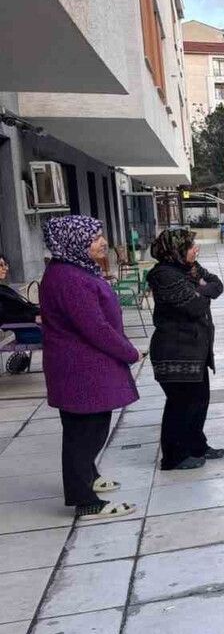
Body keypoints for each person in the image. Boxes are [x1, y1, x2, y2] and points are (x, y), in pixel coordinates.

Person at [41, 215, 139, 519]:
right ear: (74, 242)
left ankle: (90, 476)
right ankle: (85, 499)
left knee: (87, 428)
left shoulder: (73, 271)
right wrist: (130, 352)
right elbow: (95, 327)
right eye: (95, 238)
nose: (103, 242)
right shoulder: (70, 279)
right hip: (81, 368)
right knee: (86, 431)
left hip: (85, 365)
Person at [146, 230, 224, 471]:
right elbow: (194, 305)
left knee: (199, 400)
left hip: (195, 349)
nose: (196, 249)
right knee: (181, 403)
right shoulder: (164, 275)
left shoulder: (189, 267)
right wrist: (201, 290)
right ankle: (174, 456)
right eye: (191, 246)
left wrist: (200, 288)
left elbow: (217, 285)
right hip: (175, 350)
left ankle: (196, 445)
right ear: (176, 250)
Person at [0, 255, 41, 344]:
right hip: (28, 331)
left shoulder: (3, 288)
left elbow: (21, 307)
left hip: (35, 326)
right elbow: (4, 316)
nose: (5, 268)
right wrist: (34, 318)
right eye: (1, 265)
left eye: (5, 264)